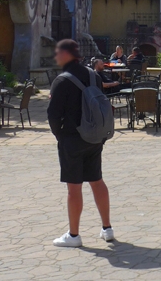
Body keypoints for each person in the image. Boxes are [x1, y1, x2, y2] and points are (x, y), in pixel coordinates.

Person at [47, 39, 114, 247]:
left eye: (58, 53)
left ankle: (74, 235)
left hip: (72, 139)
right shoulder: (93, 74)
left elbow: (53, 115)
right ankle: (107, 228)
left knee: (74, 188)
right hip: (94, 136)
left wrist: (60, 136)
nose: (56, 57)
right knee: (97, 181)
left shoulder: (62, 80)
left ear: (67, 55)